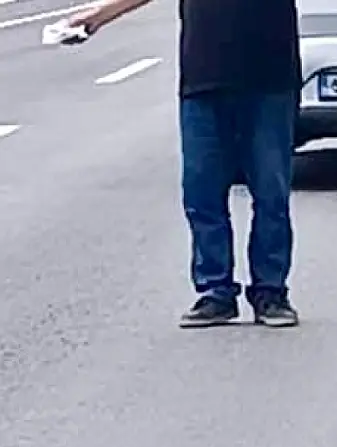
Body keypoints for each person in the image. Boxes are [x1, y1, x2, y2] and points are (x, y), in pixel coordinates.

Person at [64, 0, 313, 328]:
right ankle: (215, 292)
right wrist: (98, 16)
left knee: (271, 193)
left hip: (270, 77)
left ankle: (271, 293)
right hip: (203, 78)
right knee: (201, 193)